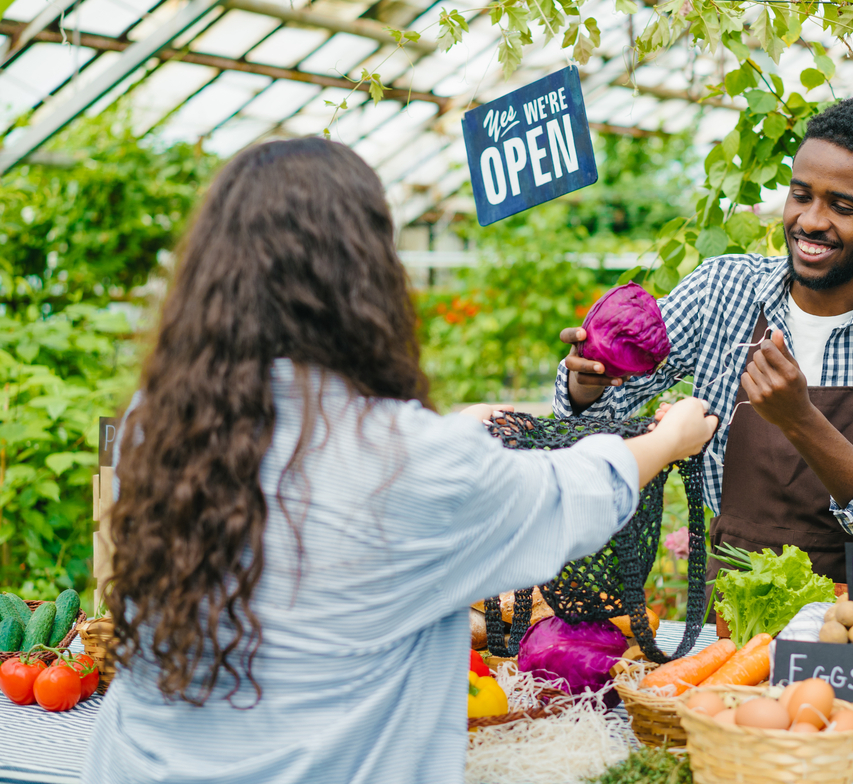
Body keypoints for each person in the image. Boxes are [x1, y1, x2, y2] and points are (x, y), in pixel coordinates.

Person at [84, 138, 717, 784]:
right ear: (364, 275)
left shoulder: (157, 422)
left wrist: (448, 433)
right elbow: (570, 493)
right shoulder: (406, 461)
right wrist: (669, 440)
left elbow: (314, 486)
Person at [556, 98, 853, 585]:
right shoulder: (722, 290)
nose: (812, 221)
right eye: (801, 196)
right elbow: (596, 414)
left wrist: (800, 420)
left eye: (842, 206)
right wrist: (589, 382)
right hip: (736, 602)